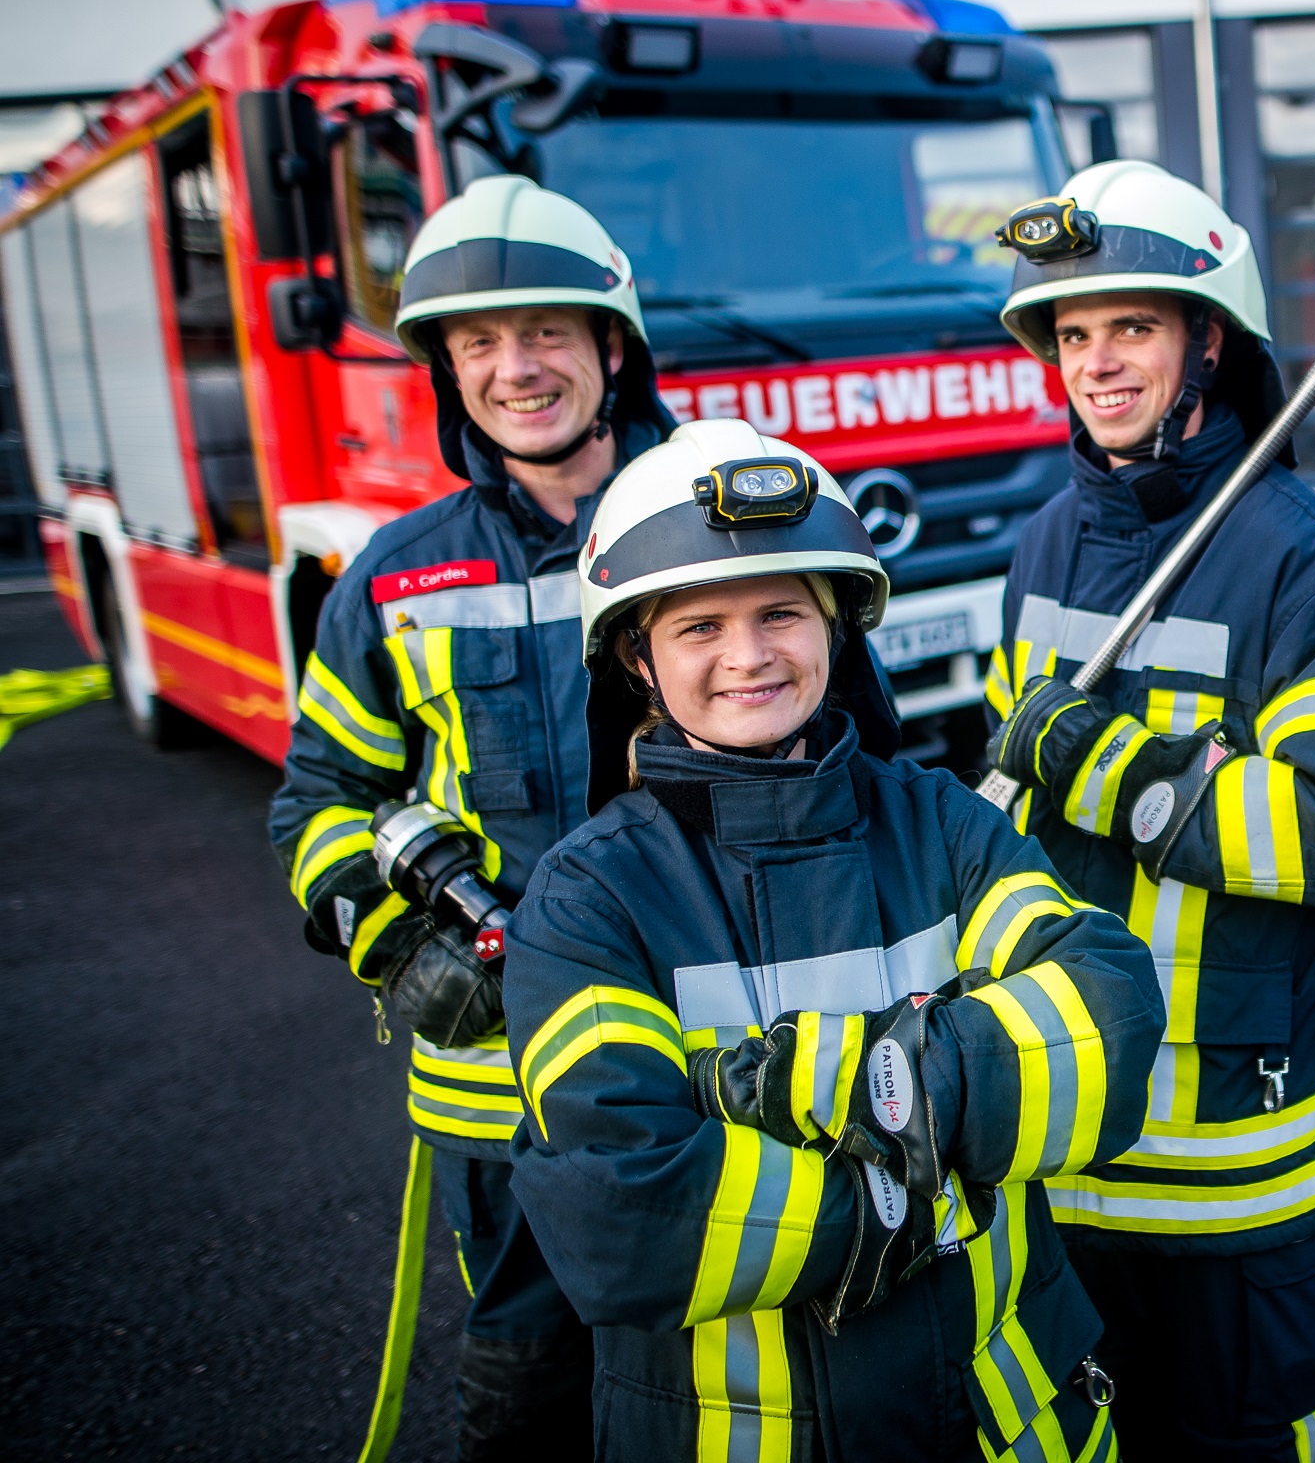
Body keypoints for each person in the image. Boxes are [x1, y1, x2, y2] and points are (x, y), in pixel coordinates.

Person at [499, 417, 1164, 1460]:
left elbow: (1111, 1021)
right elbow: (624, 1213)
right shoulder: (589, 900)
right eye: (699, 627)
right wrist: (940, 1168)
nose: (750, 655)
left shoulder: (942, 822)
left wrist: (835, 1078)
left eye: (780, 612)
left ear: (835, 628)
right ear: (636, 655)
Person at [981, 161, 1315, 1462]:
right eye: (1072, 333)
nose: (1097, 361)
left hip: (1231, 1169)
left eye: (1131, 325)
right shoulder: (1040, 547)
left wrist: (1118, 771)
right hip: (1060, 1146)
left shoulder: (1305, 561)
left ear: (1209, 345)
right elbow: (1016, 808)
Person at [266, 175, 676, 1458]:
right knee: (528, 1389)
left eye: (547, 331)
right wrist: (396, 942)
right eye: (479, 343)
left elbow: (860, 760)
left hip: (716, 1063)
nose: (518, 368)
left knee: (726, 1374)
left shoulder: (716, 524)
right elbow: (321, 799)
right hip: (500, 1099)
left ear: (611, 346)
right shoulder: (394, 576)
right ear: (446, 371)